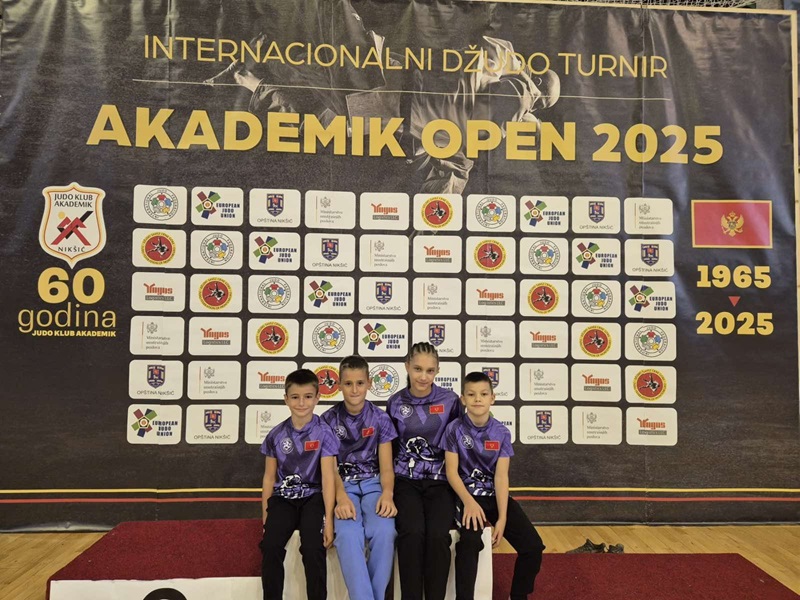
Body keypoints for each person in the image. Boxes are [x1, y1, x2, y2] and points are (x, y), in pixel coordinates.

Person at [444, 371, 545, 600]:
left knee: (532, 546)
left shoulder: (501, 432)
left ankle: (518, 596)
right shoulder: (454, 429)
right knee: (469, 543)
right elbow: (451, 472)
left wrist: (502, 518)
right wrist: (469, 502)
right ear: (463, 399)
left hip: (493, 495)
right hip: (466, 497)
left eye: (483, 394)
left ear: (493, 398)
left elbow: (501, 477)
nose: (477, 399)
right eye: (471, 394)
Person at [386, 341, 462, 599]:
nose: (423, 376)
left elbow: (459, 442)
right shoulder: (395, 402)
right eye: (417, 369)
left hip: (441, 480)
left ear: (438, 370)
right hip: (405, 480)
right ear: (407, 367)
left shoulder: (450, 401)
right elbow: (390, 449)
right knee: (412, 533)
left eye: (430, 370)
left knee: (438, 536)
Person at [321, 355, 399, 600]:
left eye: (360, 383)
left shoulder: (381, 418)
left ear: (369, 384)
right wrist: (340, 497)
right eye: (348, 383)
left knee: (385, 532)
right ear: (339, 385)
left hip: (374, 484)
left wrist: (388, 494)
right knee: (347, 535)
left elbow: (386, 467)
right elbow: (330, 468)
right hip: (342, 486)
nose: (354, 390)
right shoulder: (327, 420)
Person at [259, 368, 339, 600]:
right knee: (270, 546)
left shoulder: (325, 433)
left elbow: (328, 477)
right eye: (295, 397)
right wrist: (265, 517)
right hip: (283, 499)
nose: (301, 403)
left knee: (313, 548)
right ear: (286, 399)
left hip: (313, 497)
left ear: (317, 398)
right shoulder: (275, 435)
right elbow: (269, 478)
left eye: (307, 397)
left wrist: (329, 520)